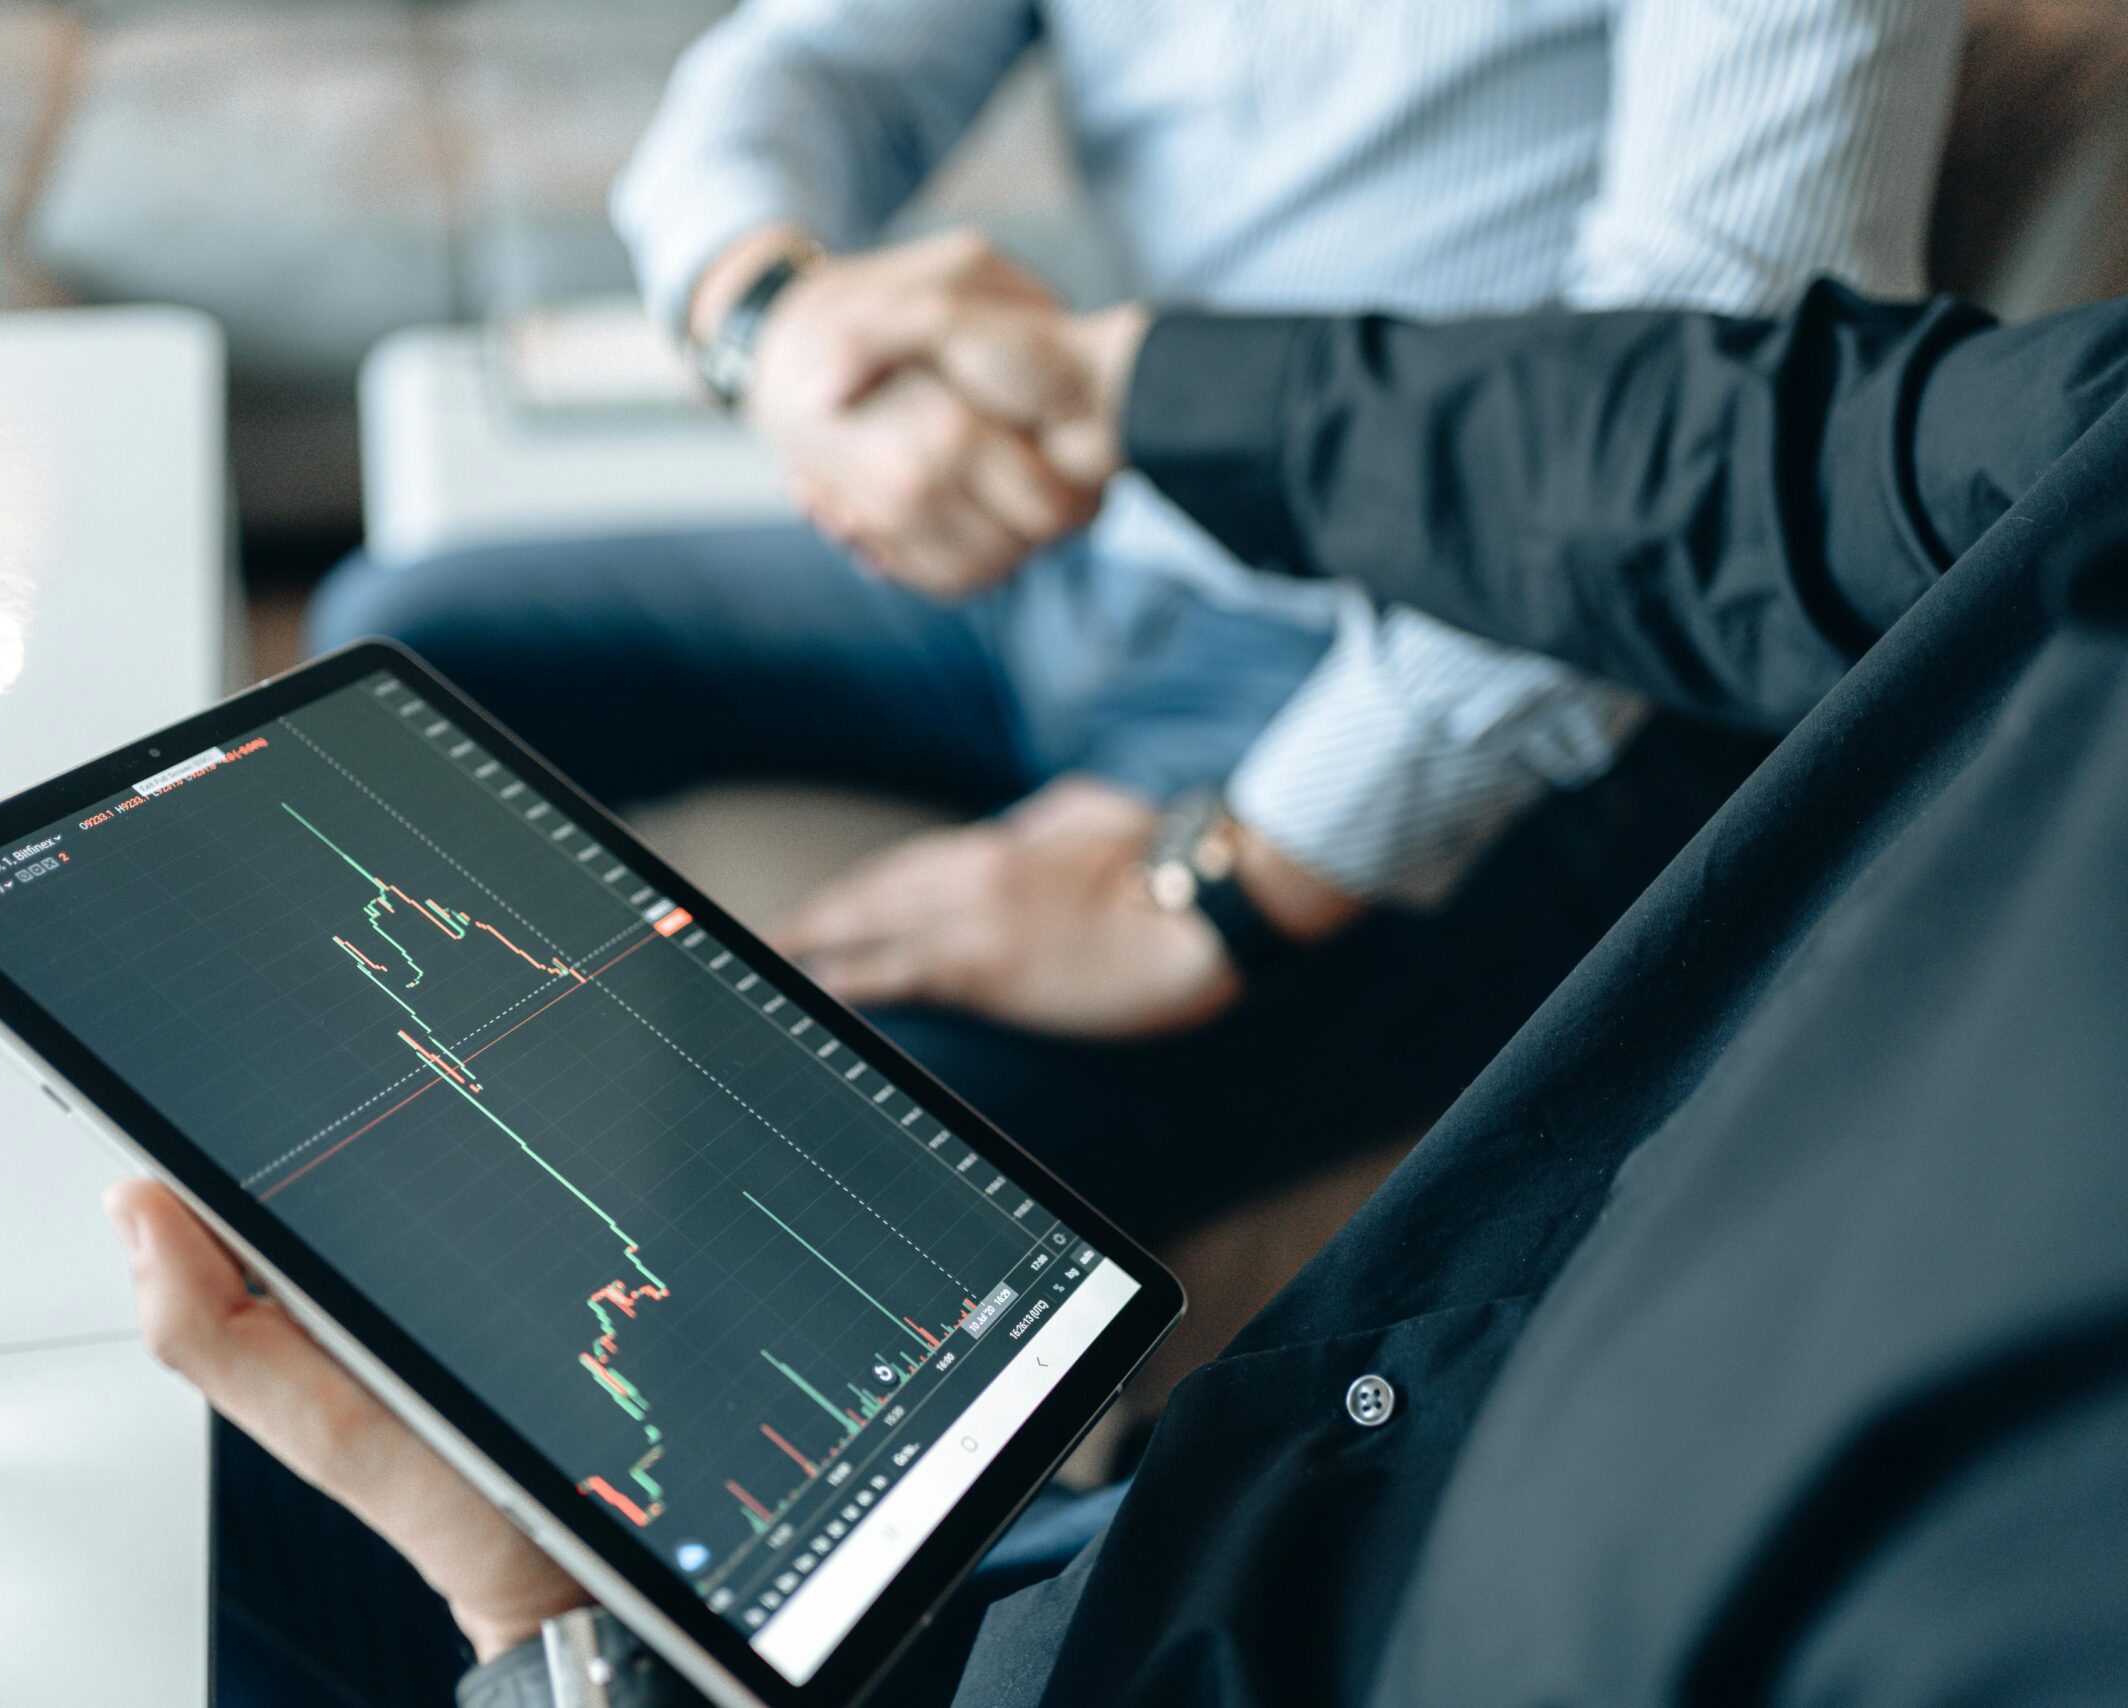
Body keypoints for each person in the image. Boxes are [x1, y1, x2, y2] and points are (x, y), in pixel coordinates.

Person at [124, 276, 2128, 1707]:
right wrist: (1124, 382)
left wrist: (549, 1644)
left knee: (262, 1507)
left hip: (1231, 1630)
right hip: (1252, 1474)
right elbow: (1783, 444)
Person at [307, 2, 1965, 1239]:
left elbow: (1691, 452)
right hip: (1095, 542)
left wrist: (1231, 879)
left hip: (1476, 676)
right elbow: (809, 67)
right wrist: (776, 321)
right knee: (393, 660)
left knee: (821, 1162)